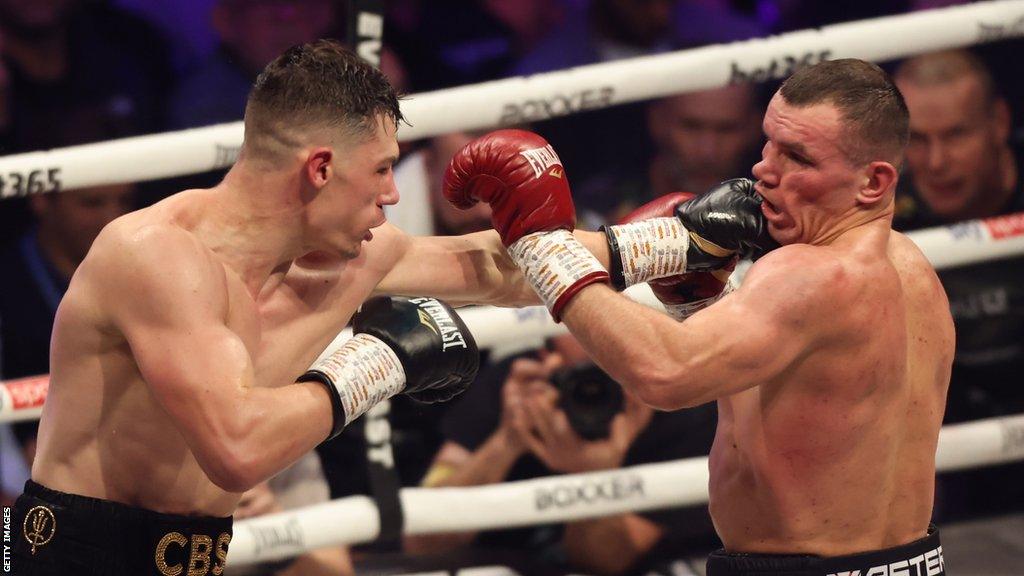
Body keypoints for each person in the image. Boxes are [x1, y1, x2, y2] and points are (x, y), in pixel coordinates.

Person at [10, 40, 603, 575]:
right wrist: (377, 363)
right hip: (67, 557)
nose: (393, 193)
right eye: (381, 168)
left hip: (196, 557)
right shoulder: (157, 256)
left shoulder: (349, 259)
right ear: (320, 168)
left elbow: (499, 267)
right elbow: (236, 449)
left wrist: (673, 244)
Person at [444, 58, 955, 574]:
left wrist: (542, 247)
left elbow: (667, 374)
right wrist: (697, 303)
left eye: (797, 156)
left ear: (874, 182)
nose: (764, 170)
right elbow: (782, 407)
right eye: (769, 143)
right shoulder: (914, 270)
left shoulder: (811, 273)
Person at [405, 333, 718, 575]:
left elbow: (604, 565)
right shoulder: (519, 383)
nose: (601, 341)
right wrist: (506, 441)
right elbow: (423, 540)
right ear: (548, 347)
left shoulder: (683, 403)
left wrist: (595, 476)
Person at [894, 49, 1024, 519]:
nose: (936, 161)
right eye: (917, 140)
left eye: (956, 135)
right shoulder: (879, 208)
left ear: (999, 122)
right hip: (940, 429)